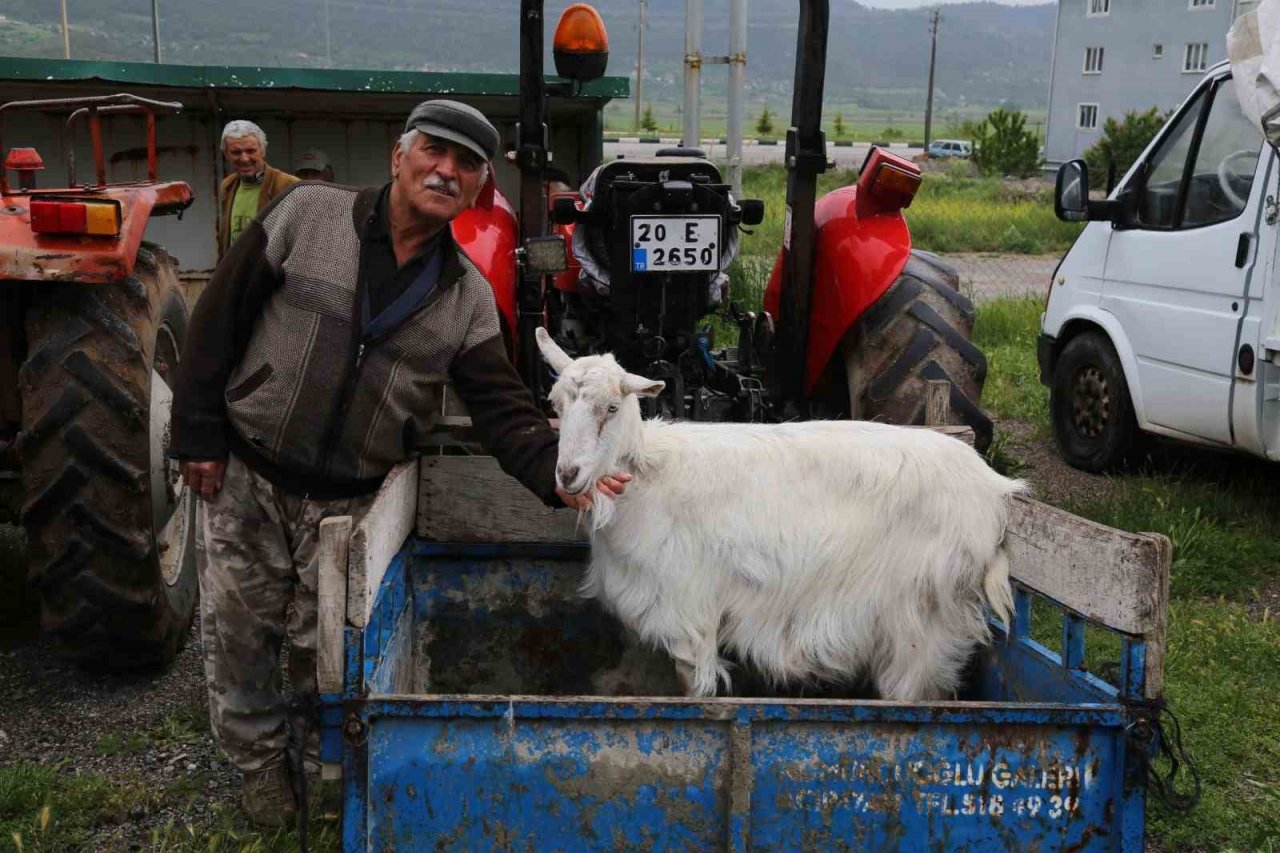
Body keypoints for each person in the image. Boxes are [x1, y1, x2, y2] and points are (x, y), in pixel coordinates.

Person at [169, 99, 628, 828]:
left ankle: (323, 772)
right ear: (399, 156)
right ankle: (260, 771)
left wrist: (558, 475)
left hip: (349, 503)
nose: (446, 171)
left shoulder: (468, 300)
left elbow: (504, 409)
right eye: (434, 152)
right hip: (251, 472)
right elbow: (219, 316)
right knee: (240, 631)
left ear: (479, 188)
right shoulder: (308, 216)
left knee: (322, 648)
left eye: (466, 165)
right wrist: (195, 433)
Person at [217, 119, 298, 258]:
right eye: (236, 152)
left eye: (251, 151)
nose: (244, 158)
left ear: (263, 150)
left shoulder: (290, 186)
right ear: (226, 154)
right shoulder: (227, 186)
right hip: (237, 274)